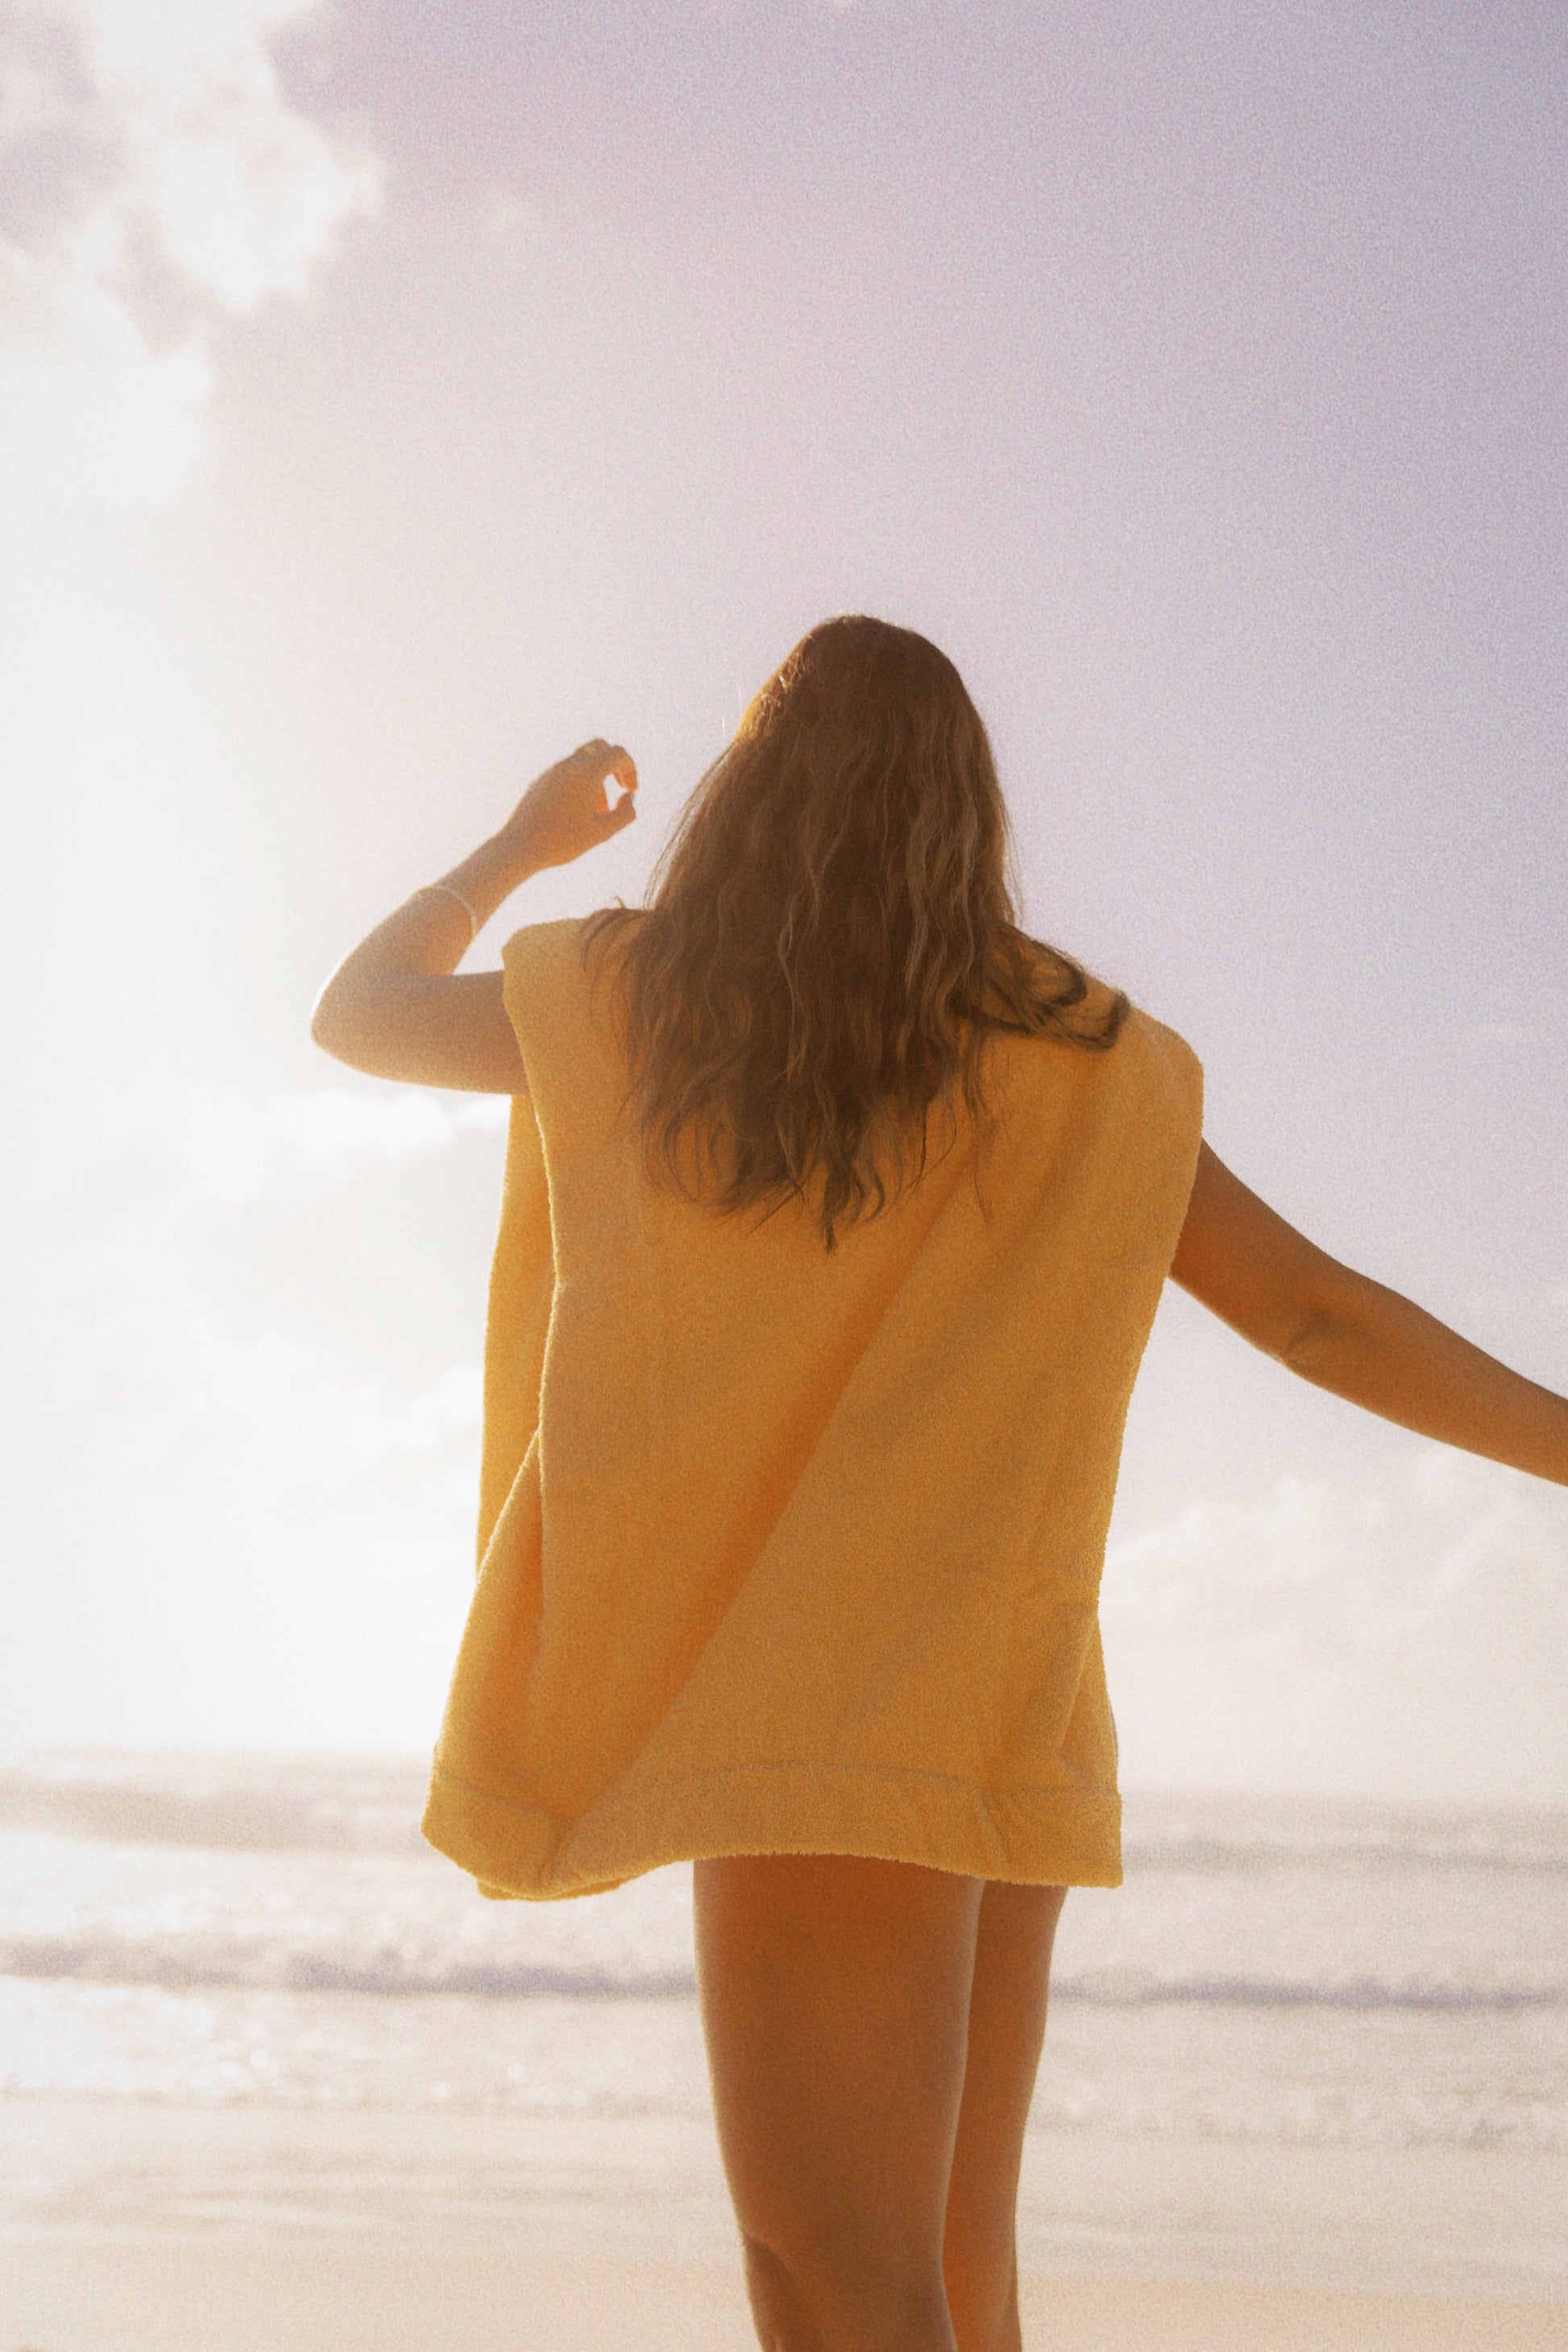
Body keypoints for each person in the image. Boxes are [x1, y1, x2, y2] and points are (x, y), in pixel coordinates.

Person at [311, 616, 1568, 2352]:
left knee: (830, 2281)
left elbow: (358, 1014)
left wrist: (518, 845)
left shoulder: (642, 998)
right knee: (960, 2282)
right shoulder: (1096, 1057)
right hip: (997, 1692)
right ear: (967, 815)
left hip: (808, 1702)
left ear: (749, 794)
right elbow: (1313, 1315)